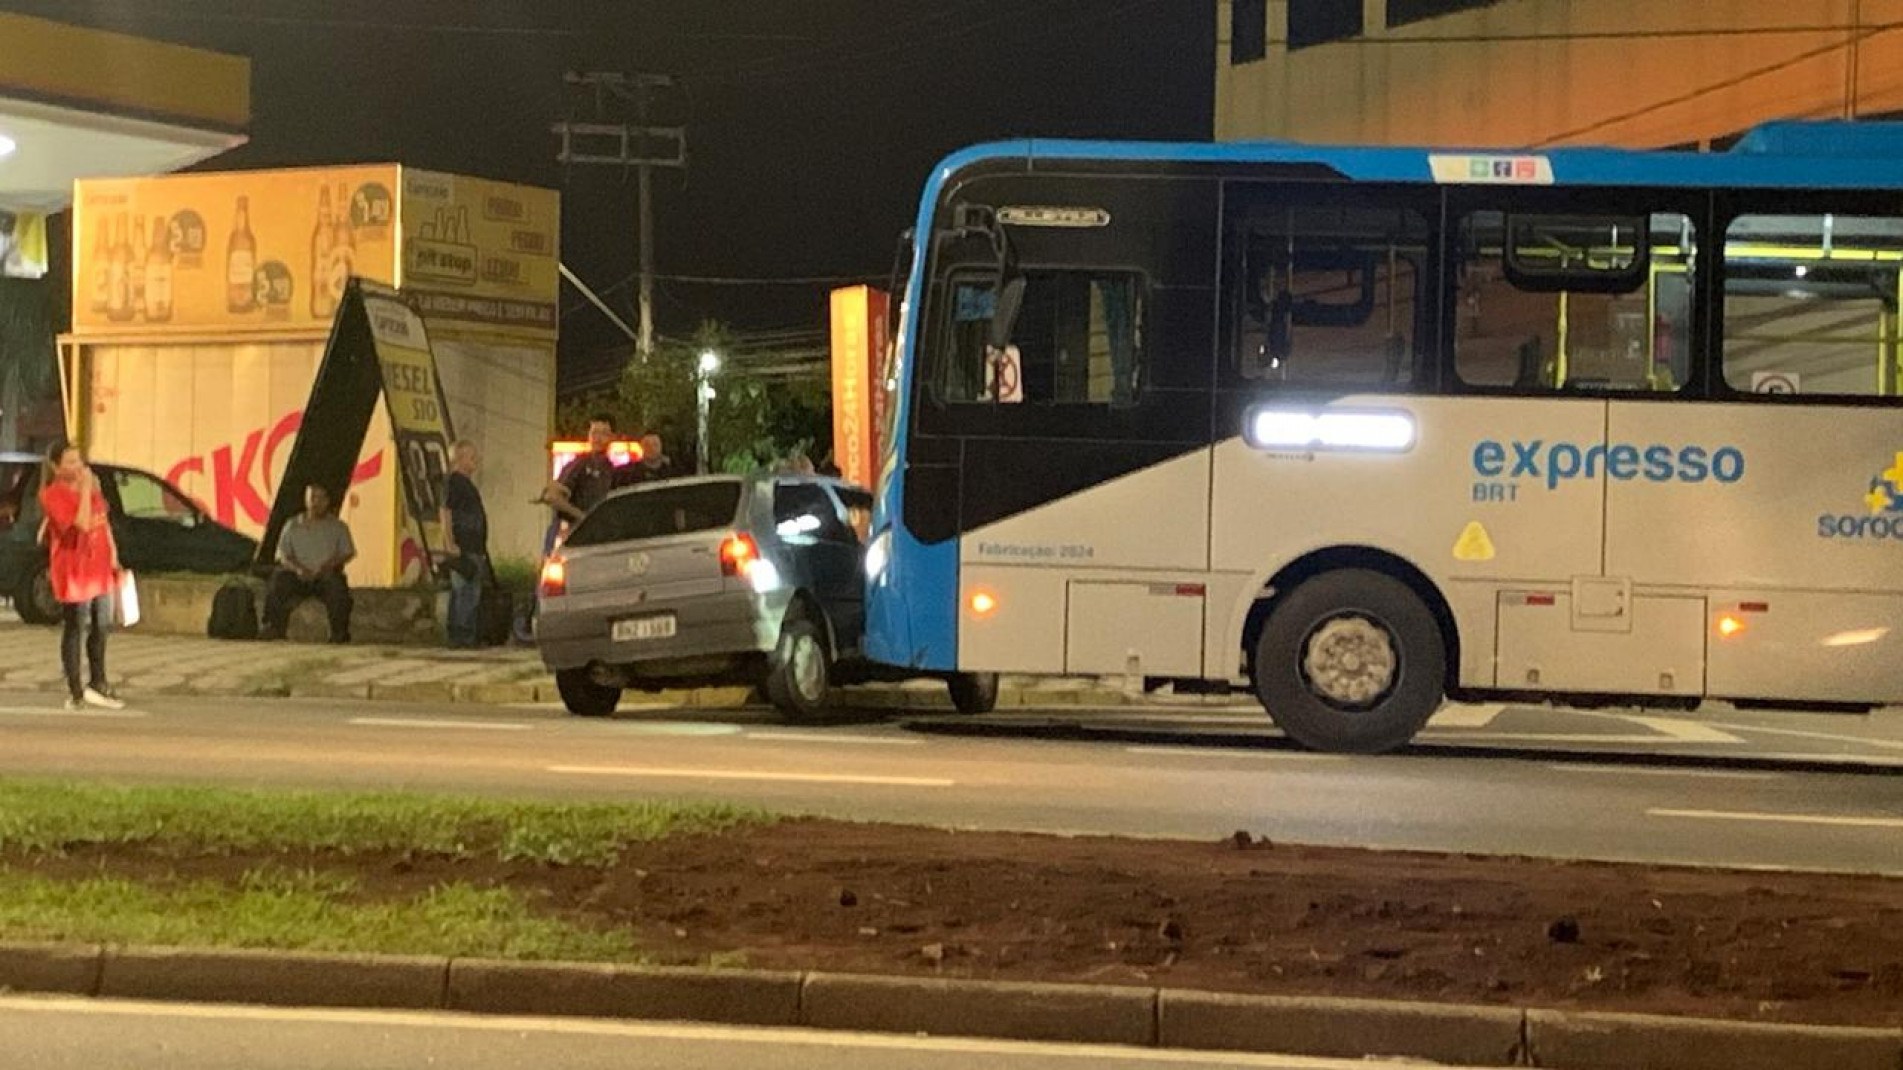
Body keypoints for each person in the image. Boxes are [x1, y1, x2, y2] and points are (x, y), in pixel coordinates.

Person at [39, 440, 124, 711]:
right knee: (76, 625)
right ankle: (75, 688)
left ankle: (99, 682)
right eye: (70, 462)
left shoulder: (93, 490)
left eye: (79, 461)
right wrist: (86, 490)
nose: (78, 468)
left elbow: (102, 521)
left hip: (99, 566)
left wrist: (113, 553)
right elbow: (82, 523)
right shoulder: (52, 494)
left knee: (101, 624)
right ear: (56, 467)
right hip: (74, 569)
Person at [262, 484, 356, 643]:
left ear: (327, 501)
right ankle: (274, 628)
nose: (316, 503)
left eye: (320, 499)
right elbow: (283, 555)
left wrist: (328, 566)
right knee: (279, 581)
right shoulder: (292, 525)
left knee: (338, 587)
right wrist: (298, 569)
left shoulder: (338, 527)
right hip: (298, 575)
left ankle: (339, 634)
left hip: (325, 575)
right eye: (312, 498)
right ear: (306, 500)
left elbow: (347, 553)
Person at [439, 440, 490, 649]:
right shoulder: (454, 482)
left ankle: (463, 634)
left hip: (474, 547)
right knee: (465, 592)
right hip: (464, 547)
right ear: (459, 459)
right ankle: (462, 636)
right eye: (471, 456)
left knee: (469, 591)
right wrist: (450, 542)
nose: (475, 461)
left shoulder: (465, 484)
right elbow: (445, 511)